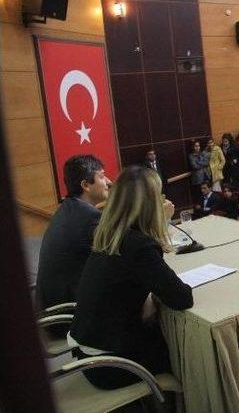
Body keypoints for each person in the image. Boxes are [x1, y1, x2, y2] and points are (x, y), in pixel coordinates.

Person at [69, 165, 193, 389]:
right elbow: (182, 298)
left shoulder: (108, 234)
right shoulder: (139, 245)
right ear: (151, 203)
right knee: (188, 352)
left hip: (87, 355)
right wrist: (162, 226)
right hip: (112, 366)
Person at [36, 155, 111, 312]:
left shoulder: (69, 209)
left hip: (52, 307)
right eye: (102, 176)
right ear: (86, 185)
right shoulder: (89, 217)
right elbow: (124, 250)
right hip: (69, 314)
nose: (108, 182)